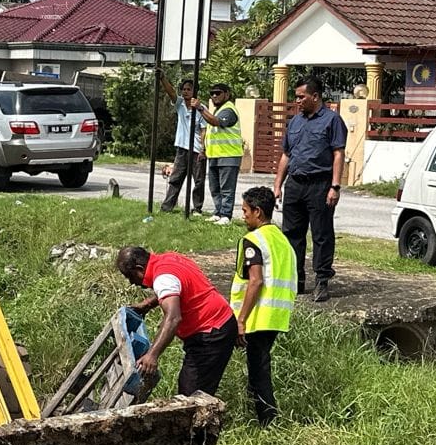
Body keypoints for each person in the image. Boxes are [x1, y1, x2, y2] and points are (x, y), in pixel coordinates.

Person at [116, 245, 238, 397]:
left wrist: (152, 355)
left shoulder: (163, 278)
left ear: (140, 268)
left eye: (130, 276)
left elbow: (173, 318)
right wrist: (148, 304)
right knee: (194, 388)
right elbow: (178, 286)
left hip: (211, 332)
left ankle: (201, 419)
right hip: (220, 320)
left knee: (191, 396)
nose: (131, 282)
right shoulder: (168, 259)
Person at [273, 75, 347, 302]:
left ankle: (322, 281)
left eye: (301, 97)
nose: (297, 101)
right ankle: (297, 280)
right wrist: (278, 185)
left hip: (320, 184)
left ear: (315, 96)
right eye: (296, 97)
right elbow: (286, 155)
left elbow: (338, 153)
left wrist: (335, 186)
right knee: (292, 234)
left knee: (321, 234)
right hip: (296, 183)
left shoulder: (332, 121)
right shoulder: (295, 122)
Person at [230, 186, 296, 427]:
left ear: (258, 212)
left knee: (259, 370)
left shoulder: (253, 240)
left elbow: (255, 280)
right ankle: (255, 409)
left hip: (258, 316)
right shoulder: (281, 240)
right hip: (277, 316)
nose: (243, 215)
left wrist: (240, 319)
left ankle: (268, 421)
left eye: (245, 210)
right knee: (258, 364)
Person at [195, 83, 244, 224]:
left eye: (218, 93)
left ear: (227, 94)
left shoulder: (229, 110)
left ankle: (226, 215)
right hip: (215, 155)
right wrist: (204, 150)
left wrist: (200, 108)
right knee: (215, 187)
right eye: (212, 93)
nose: (214, 96)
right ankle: (218, 212)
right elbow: (210, 132)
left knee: (226, 188)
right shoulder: (217, 110)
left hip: (229, 155)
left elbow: (216, 122)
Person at [156, 74, 205, 214]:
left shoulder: (201, 108)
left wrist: (203, 149)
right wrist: (162, 77)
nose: (185, 92)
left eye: (189, 89)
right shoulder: (180, 104)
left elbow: (204, 130)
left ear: (195, 91)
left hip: (196, 150)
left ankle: (197, 208)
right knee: (175, 179)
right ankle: (167, 207)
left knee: (198, 181)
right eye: (183, 89)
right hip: (182, 149)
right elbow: (170, 92)